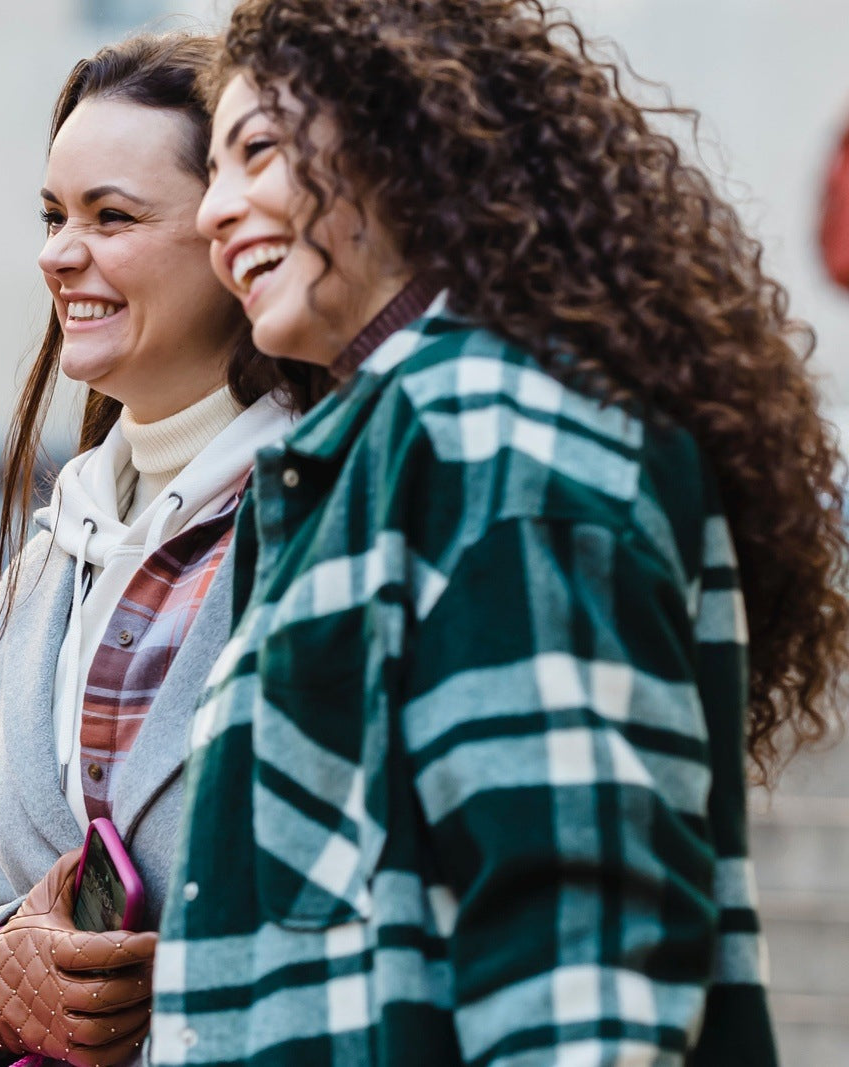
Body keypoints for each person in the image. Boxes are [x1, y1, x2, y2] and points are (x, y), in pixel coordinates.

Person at [151, 1, 849, 1065]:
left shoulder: (497, 429)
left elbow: (578, 975)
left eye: (257, 150)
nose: (215, 211)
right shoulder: (386, 447)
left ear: (401, 140)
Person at [0, 31, 316, 1067]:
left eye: (111, 216)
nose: (58, 251)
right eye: (53, 215)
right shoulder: (43, 565)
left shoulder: (327, 523)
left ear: (234, 237)